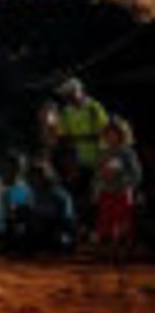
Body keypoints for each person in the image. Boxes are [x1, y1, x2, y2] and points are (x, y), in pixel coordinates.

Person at [55, 77, 108, 227]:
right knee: (78, 196)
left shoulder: (94, 107)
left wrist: (78, 138)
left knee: (96, 197)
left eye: (71, 93)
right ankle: (82, 227)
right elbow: (63, 136)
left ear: (79, 91)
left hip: (97, 160)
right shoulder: (66, 112)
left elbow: (104, 132)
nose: (69, 97)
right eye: (66, 95)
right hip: (76, 162)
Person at [93, 117, 142, 267]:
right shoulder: (103, 153)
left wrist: (122, 179)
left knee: (123, 222)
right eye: (108, 133)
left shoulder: (128, 153)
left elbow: (136, 174)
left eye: (114, 133)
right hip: (106, 192)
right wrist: (97, 188)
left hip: (122, 193)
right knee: (105, 222)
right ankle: (108, 252)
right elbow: (98, 174)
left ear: (122, 134)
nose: (110, 136)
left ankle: (123, 251)